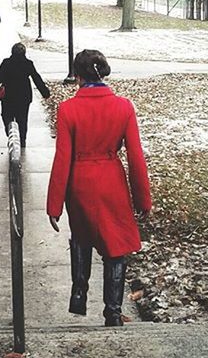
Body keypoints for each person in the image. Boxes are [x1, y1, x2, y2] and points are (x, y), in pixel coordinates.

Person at [46, 49, 151, 327]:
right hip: (111, 180)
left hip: (79, 181)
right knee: (115, 246)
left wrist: (54, 205)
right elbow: (136, 156)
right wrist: (143, 199)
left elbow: (62, 159)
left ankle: (79, 295)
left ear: (78, 76)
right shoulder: (124, 107)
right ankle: (113, 312)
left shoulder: (68, 109)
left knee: (81, 235)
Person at [0, 42, 50, 147]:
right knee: (22, 119)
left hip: (8, 96)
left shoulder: (6, 63)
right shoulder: (28, 63)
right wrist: (45, 92)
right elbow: (36, 78)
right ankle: (22, 140)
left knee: (7, 116)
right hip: (23, 97)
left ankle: (10, 135)